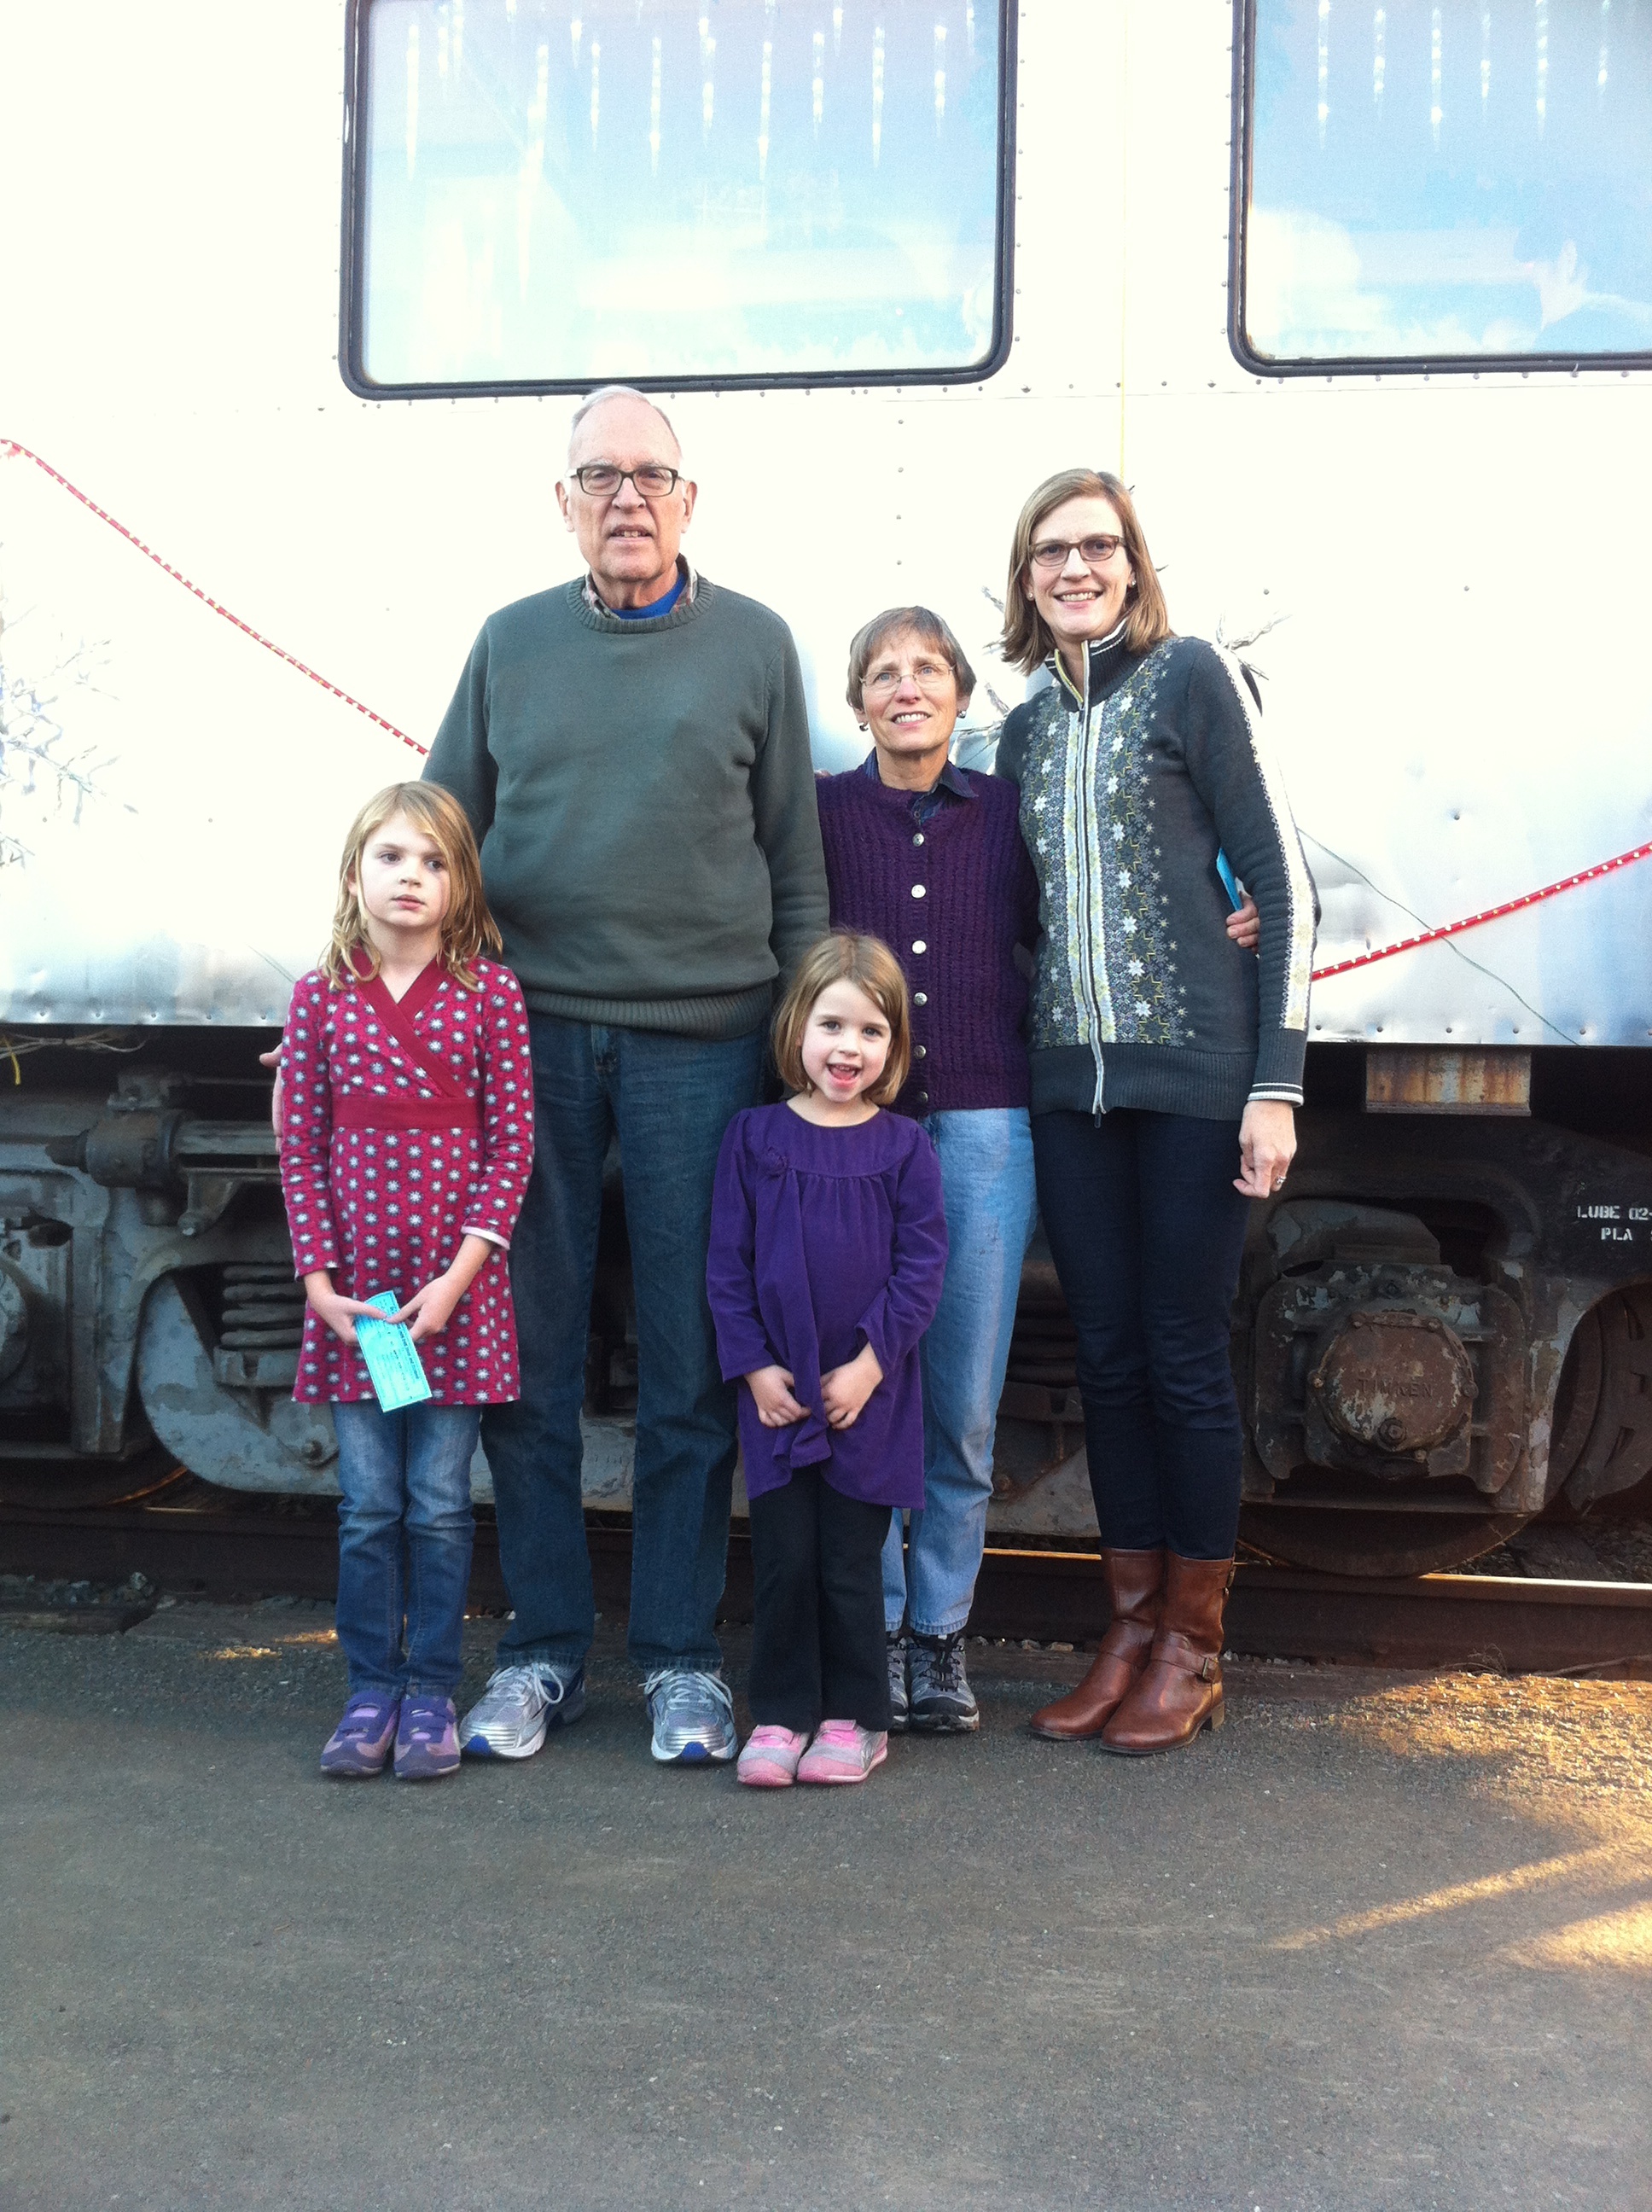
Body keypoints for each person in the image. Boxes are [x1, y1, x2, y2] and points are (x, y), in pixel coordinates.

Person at [423, 387, 829, 1767]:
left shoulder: (756, 644)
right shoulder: (509, 641)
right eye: (598, 476)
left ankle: (677, 1661)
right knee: (526, 1354)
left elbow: (793, 861)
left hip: (703, 1043)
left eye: (651, 475)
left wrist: (798, 1044)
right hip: (530, 1034)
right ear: (563, 503)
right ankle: (540, 1649)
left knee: (690, 1360)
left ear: (689, 500)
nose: (626, 499)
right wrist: (367, 1003)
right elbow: (439, 835)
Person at [816, 607, 1259, 1735]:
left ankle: (938, 1639)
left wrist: (1230, 893)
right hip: (855, 1141)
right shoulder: (821, 816)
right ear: (857, 701)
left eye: (928, 670)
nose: (907, 687)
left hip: (983, 1129)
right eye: (883, 673)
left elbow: (1102, 884)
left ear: (962, 698)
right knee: (864, 1401)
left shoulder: (1006, 815)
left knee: (962, 1407)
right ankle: (871, 1633)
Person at [993, 469, 1315, 1755]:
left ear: (1132, 564)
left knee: (1181, 1358)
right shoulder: (1023, 731)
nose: (1075, 567)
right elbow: (1020, 918)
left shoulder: (1191, 679)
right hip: (1072, 1093)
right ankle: (1126, 1631)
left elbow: (1283, 887)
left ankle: (1192, 1644)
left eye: (1098, 546)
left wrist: (1275, 1084)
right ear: (1025, 579)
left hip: (1195, 1083)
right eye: (1051, 551)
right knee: (1108, 1362)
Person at [279, 783, 533, 1781]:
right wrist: (318, 1283)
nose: (411, 877)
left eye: (434, 862)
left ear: (460, 883)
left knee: (436, 1504)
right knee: (368, 1509)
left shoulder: (490, 994)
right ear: (354, 875)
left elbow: (512, 1147)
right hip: (358, 1307)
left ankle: (430, 1690)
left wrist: (459, 1279)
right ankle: (368, 1691)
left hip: (453, 1299)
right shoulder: (320, 995)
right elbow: (300, 1147)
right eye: (390, 857)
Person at [706, 932, 948, 1787]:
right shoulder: (754, 1136)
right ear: (796, 1030)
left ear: (894, 1047)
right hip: (777, 1395)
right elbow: (726, 1265)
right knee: (784, 1563)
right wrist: (753, 1369)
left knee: (848, 1565)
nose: (849, 1048)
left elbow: (922, 1269)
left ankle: (855, 1719)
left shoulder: (905, 1148)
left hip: (866, 1397)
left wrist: (871, 1366)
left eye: (871, 1032)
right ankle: (780, 1715)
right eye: (832, 1026)